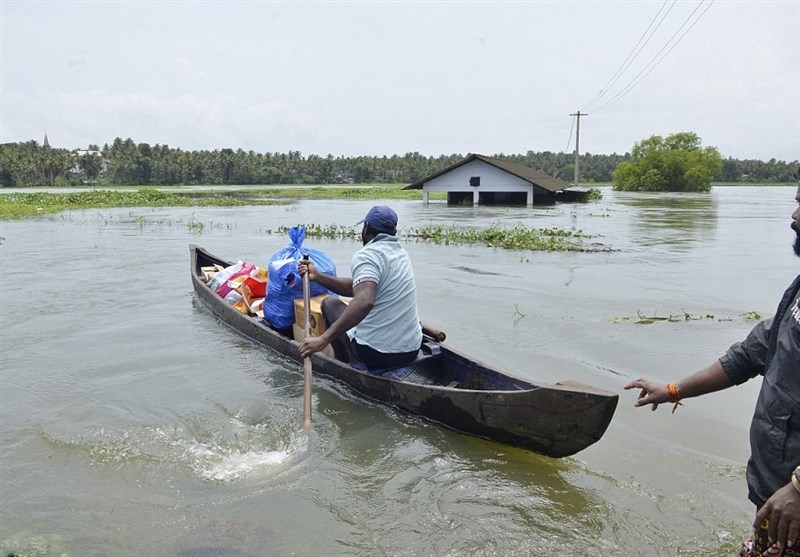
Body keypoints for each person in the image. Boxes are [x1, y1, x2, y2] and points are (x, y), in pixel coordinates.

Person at [625, 178, 800, 556]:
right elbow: (751, 354)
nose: (793, 216)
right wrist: (673, 390)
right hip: (777, 494)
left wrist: (799, 487)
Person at [298, 205, 423, 369]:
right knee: (348, 307)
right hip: (412, 349)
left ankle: (342, 363)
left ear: (366, 228)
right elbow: (358, 287)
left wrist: (323, 339)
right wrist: (318, 277)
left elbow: (364, 301)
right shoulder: (401, 253)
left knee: (330, 304)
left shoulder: (367, 255)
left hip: (377, 354)